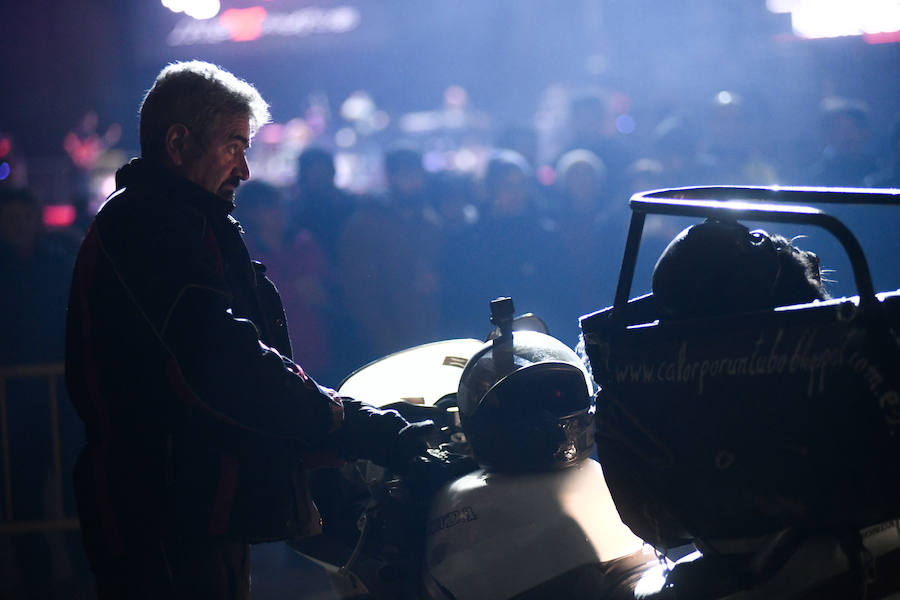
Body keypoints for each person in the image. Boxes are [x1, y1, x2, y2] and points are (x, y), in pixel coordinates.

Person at [64, 61, 432, 599]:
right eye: (234, 145)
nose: (245, 168)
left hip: (192, 501)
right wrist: (345, 420)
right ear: (178, 141)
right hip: (159, 504)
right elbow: (224, 359)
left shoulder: (184, 219)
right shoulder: (146, 225)